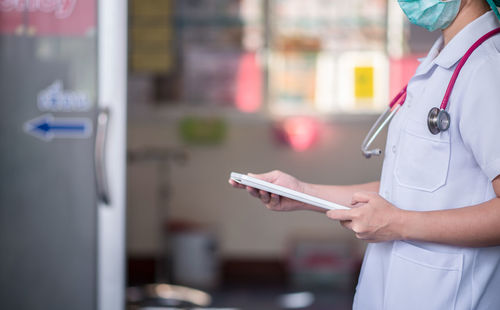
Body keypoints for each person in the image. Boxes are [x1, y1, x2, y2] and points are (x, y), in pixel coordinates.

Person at [229, 0, 500, 309]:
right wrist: (302, 193)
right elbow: (404, 192)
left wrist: (399, 223)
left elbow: (398, 215)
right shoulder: (441, 62)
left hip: (451, 296)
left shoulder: (488, 68)